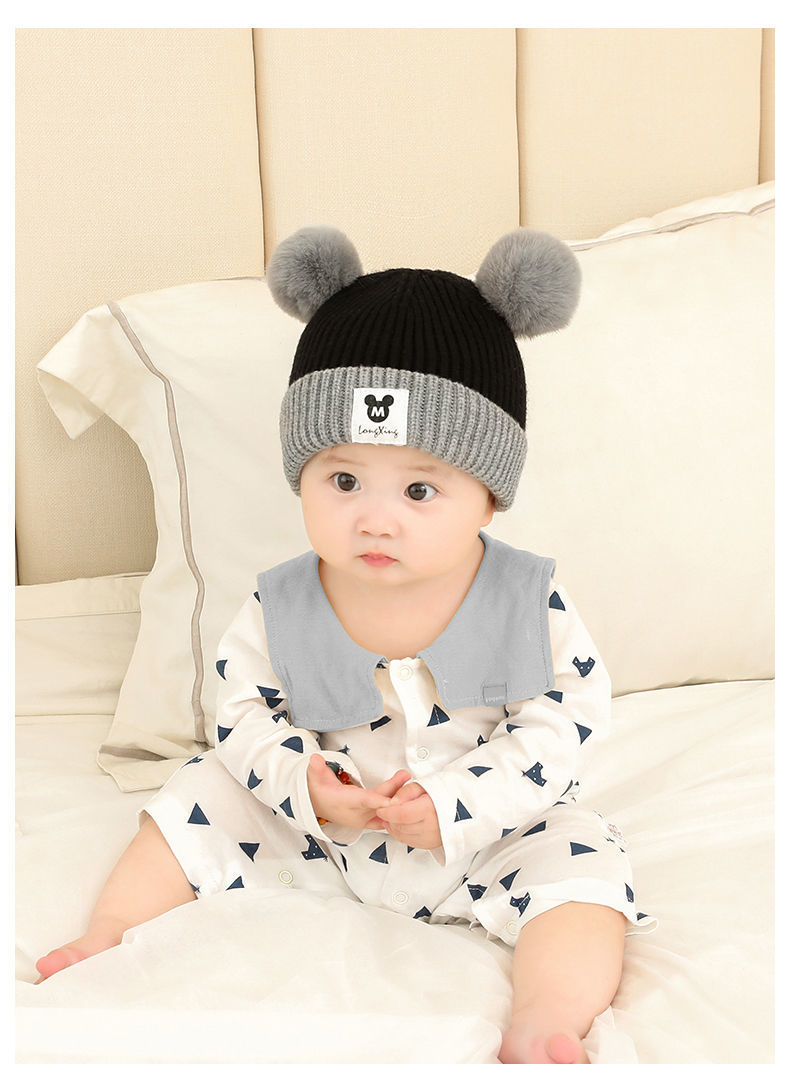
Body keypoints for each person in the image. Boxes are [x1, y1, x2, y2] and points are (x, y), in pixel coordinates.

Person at [36, 226, 655, 1063]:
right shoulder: (281, 600)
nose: (375, 517)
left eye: (420, 489)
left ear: (489, 497)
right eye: (343, 480)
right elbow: (243, 714)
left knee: (586, 865)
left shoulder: (526, 597)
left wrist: (459, 803)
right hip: (321, 827)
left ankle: (547, 1016)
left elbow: (565, 723)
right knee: (201, 791)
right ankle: (107, 936)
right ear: (302, 476)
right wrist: (302, 782)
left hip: (490, 832)